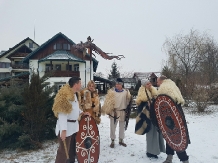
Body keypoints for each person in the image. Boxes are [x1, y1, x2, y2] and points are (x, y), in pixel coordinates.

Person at [52, 77, 87, 163]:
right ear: (75, 85)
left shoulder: (74, 94)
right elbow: (62, 114)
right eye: (80, 83)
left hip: (73, 127)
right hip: (66, 128)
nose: (81, 85)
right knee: (63, 152)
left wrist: (82, 113)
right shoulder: (65, 96)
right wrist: (63, 130)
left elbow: (74, 109)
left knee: (71, 151)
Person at [157, 75, 190, 163]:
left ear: (161, 81)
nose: (157, 84)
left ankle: (185, 160)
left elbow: (163, 103)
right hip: (177, 113)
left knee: (177, 138)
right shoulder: (173, 85)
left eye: (157, 82)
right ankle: (169, 158)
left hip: (171, 116)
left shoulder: (164, 87)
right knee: (169, 137)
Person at [135, 79, 165, 159]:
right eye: (147, 84)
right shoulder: (142, 94)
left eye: (149, 83)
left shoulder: (153, 91)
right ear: (144, 85)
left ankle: (156, 150)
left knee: (157, 134)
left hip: (155, 116)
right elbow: (141, 107)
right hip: (148, 117)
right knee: (151, 135)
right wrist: (147, 105)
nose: (150, 84)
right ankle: (150, 152)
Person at [102, 78, 131, 148]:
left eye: (118, 84)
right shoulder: (112, 92)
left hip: (123, 111)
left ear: (121, 85)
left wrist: (128, 111)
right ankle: (112, 140)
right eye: (116, 84)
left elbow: (128, 102)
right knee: (113, 127)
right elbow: (108, 102)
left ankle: (121, 140)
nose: (117, 85)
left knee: (122, 127)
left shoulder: (126, 92)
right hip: (114, 112)